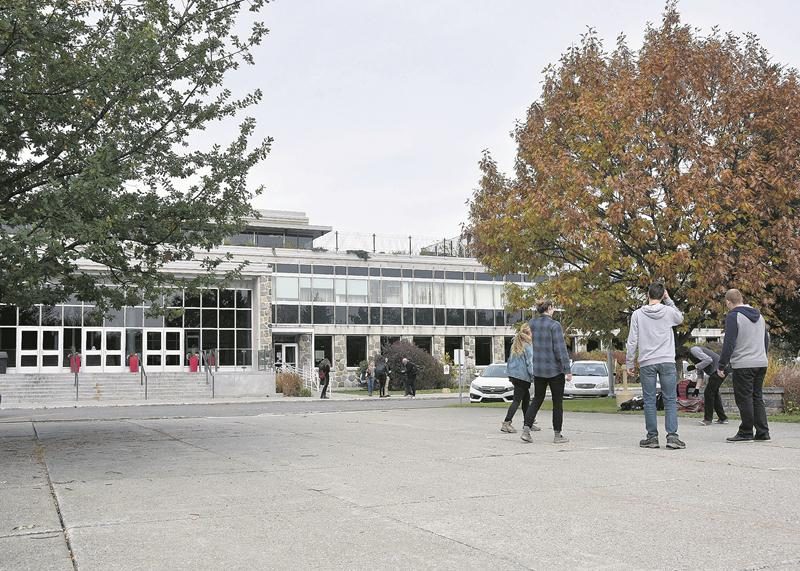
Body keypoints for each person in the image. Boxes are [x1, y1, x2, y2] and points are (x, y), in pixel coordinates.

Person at [626, 283, 685, 450]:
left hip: (647, 361)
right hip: (666, 359)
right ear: (662, 295)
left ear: (647, 295)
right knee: (670, 399)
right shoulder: (668, 311)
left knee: (649, 400)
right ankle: (672, 436)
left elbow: (632, 340)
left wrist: (630, 361)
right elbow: (680, 318)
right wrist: (669, 300)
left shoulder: (637, 314)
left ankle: (652, 437)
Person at [718, 289, 770, 442]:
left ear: (728, 302)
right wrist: (762, 355)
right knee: (757, 397)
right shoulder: (760, 316)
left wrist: (721, 364)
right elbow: (765, 339)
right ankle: (762, 432)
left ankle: (746, 432)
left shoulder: (733, 316)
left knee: (744, 398)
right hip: (761, 362)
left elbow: (729, 342)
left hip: (743, 364)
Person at [521, 300, 572, 444]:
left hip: (539, 368)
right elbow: (560, 349)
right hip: (554, 369)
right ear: (549, 308)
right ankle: (557, 434)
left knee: (537, 399)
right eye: (553, 308)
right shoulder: (554, 325)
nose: (554, 310)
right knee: (557, 402)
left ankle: (526, 429)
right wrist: (567, 369)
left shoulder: (532, 324)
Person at [501, 323, 538, 434]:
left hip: (514, 376)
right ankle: (506, 422)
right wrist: (534, 375)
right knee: (517, 400)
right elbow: (530, 363)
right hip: (523, 377)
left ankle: (528, 423)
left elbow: (510, 361)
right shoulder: (528, 345)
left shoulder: (516, 344)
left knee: (526, 399)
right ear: (529, 333)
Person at [687, 345, 728, 426]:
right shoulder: (695, 358)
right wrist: (696, 389)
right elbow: (700, 375)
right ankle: (723, 418)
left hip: (720, 370)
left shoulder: (694, 350)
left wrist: (695, 366)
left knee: (708, 393)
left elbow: (709, 359)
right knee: (714, 393)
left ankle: (708, 419)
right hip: (717, 371)